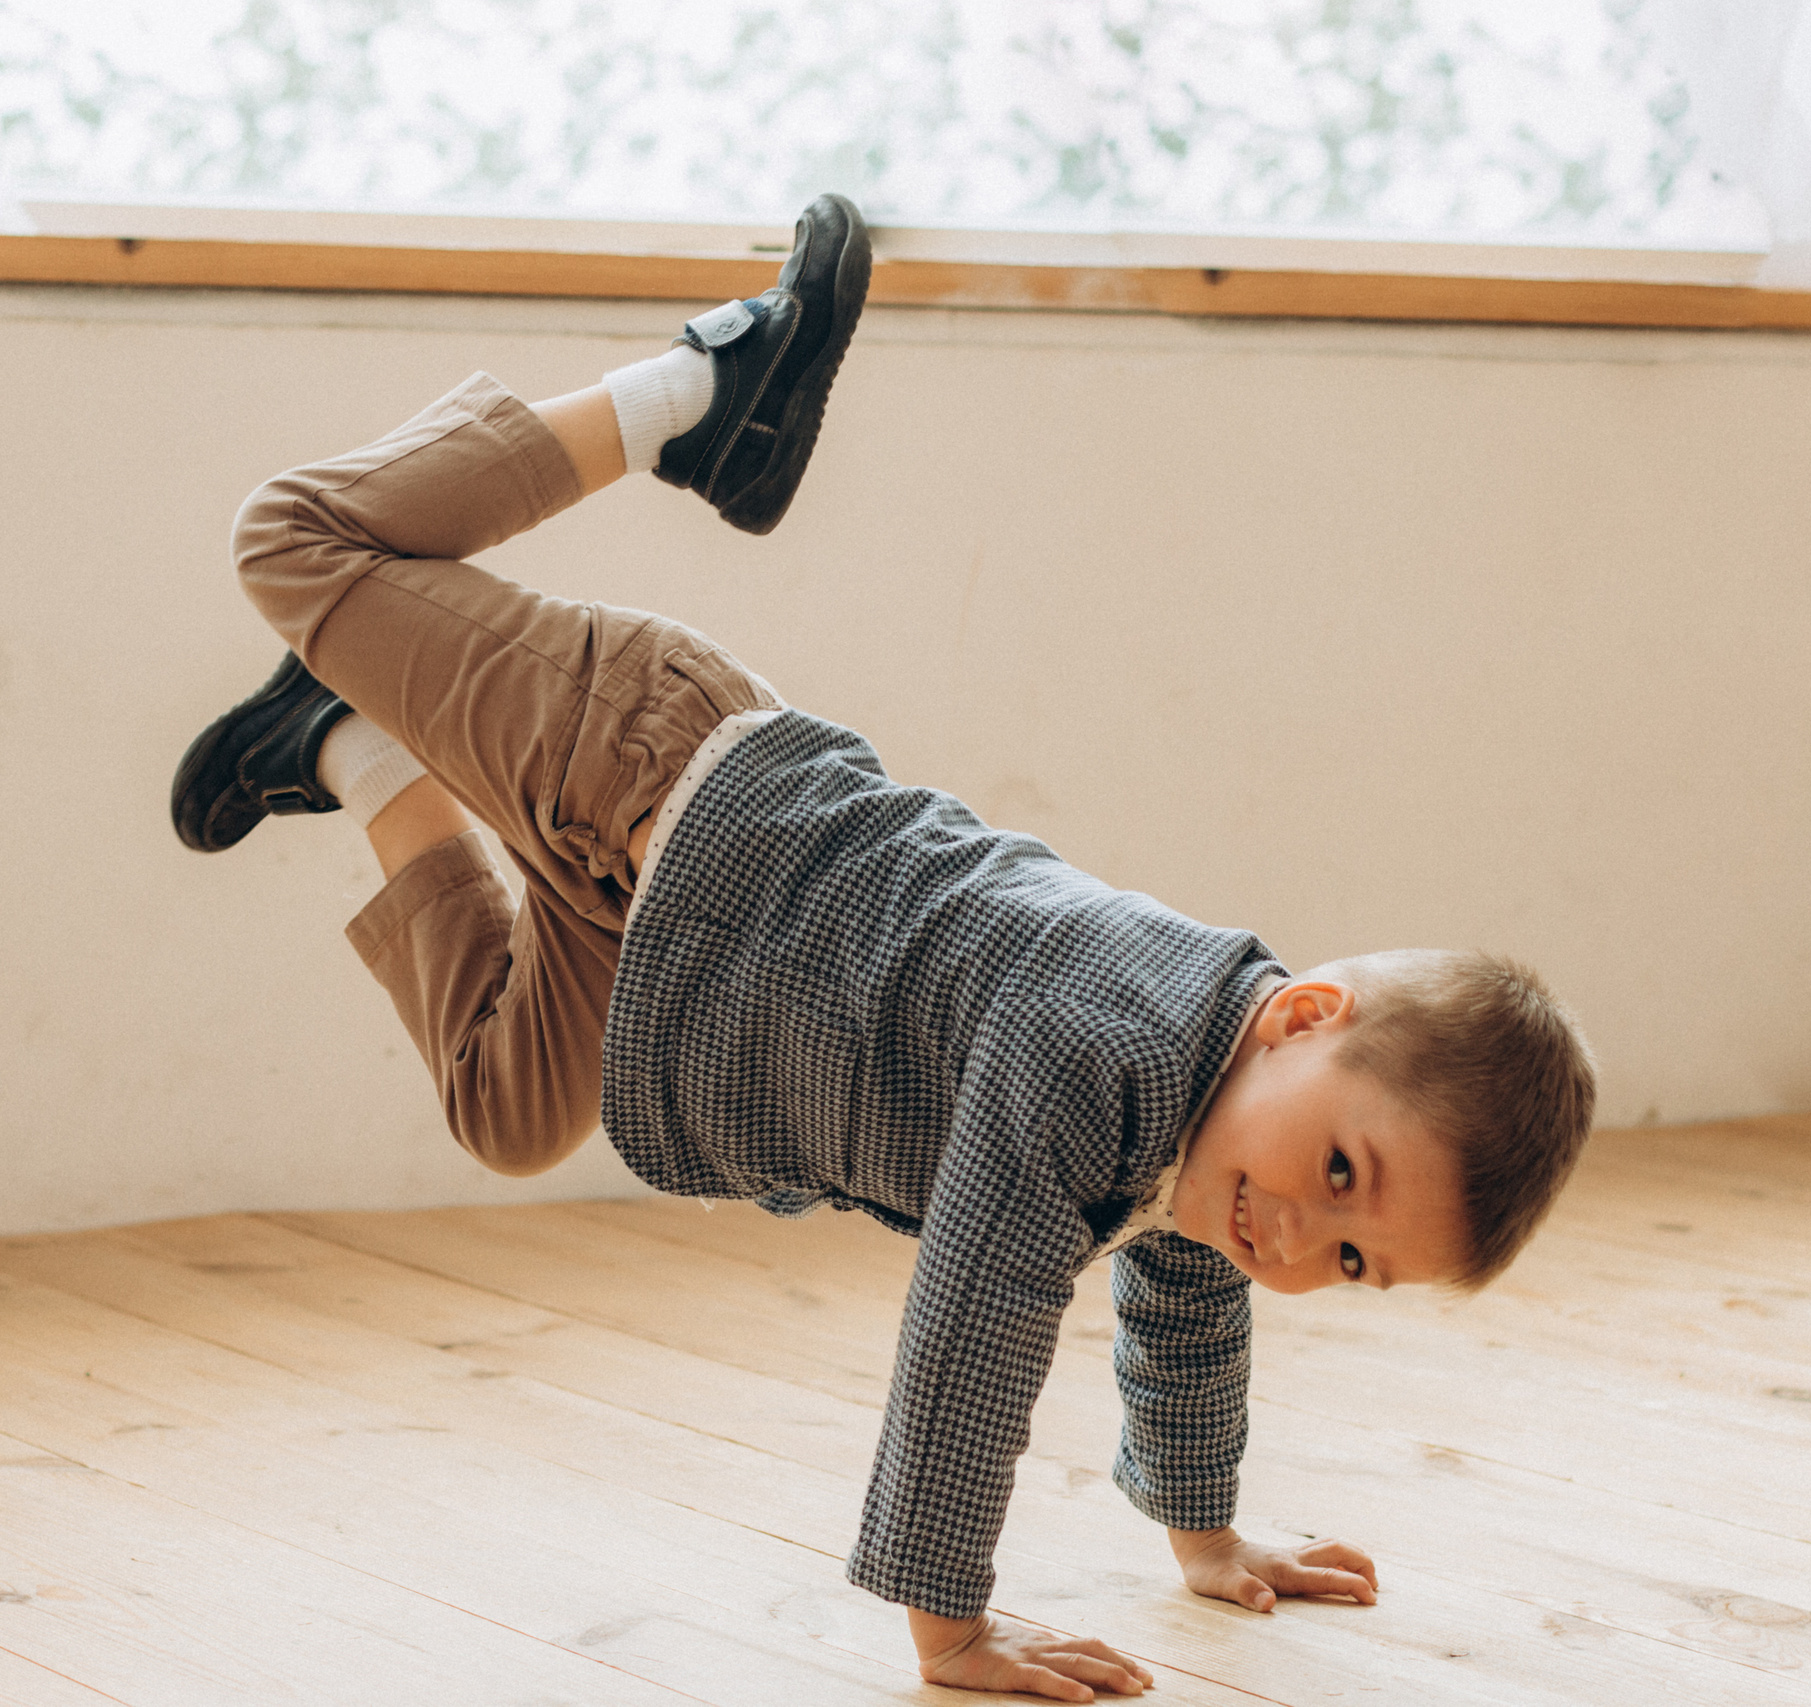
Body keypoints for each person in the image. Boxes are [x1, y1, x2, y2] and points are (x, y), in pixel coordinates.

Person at [172, 194, 1598, 1703]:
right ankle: (703, 394)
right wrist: (951, 1627)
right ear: (1305, 1017)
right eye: (1341, 1178)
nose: (1300, 1238)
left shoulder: (1208, 1144)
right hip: (654, 762)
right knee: (295, 535)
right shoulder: (1107, 1042)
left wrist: (1208, 1539)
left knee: (506, 1114)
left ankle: (337, 744)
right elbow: (976, 1322)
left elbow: (1187, 1311)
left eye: (1357, 1260)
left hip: (657, 924)